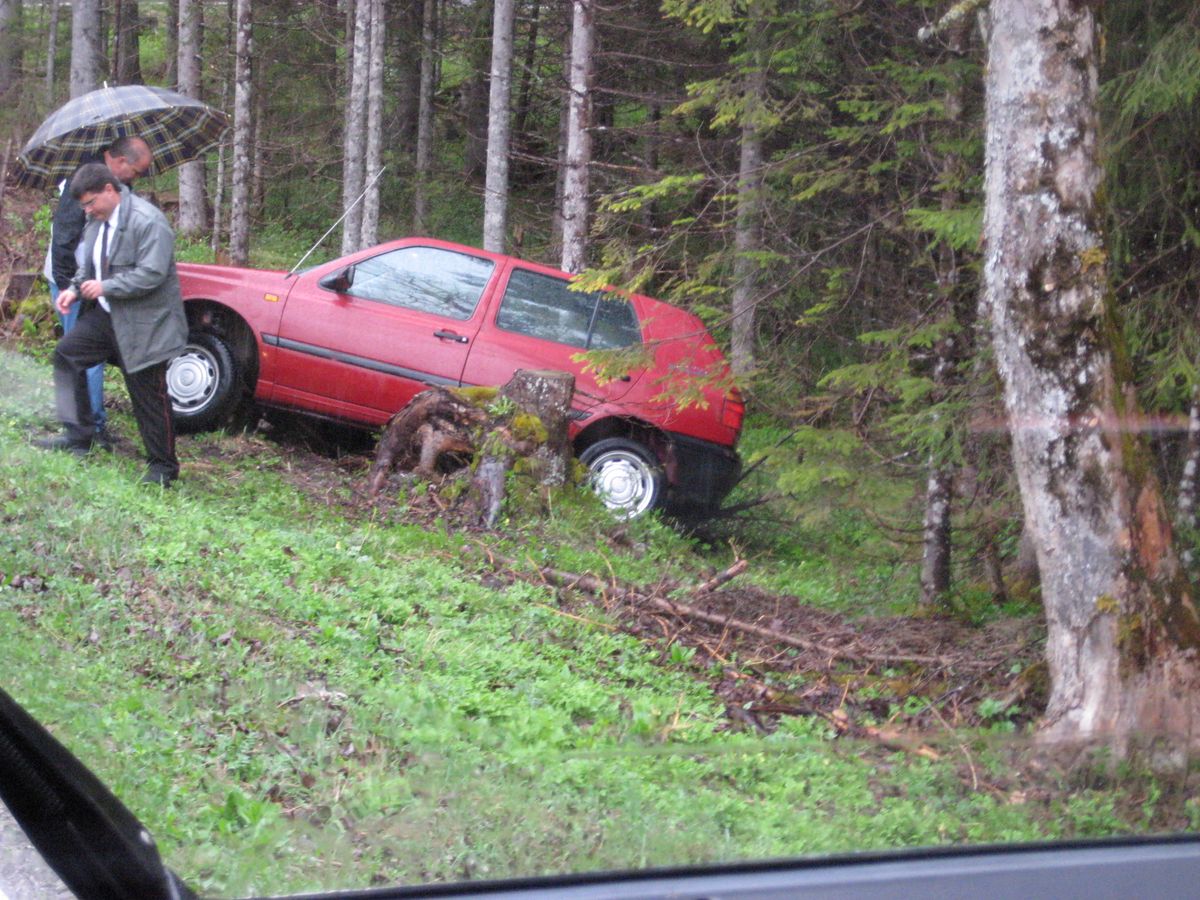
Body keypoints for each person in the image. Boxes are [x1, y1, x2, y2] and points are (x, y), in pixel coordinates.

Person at [35, 163, 188, 487]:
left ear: (109, 189)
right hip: (107, 316)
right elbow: (88, 265)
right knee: (67, 355)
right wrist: (75, 289)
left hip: (147, 322)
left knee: (148, 392)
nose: (88, 210)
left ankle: (163, 467)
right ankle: (79, 437)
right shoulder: (96, 220)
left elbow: (152, 274)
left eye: (91, 202)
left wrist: (106, 287)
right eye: (84, 206)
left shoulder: (149, 222)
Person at [46, 136, 154, 444]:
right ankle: (86, 428)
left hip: (99, 284)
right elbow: (63, 239)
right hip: (73, 280)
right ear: (119, 162)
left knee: (87, 357)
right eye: (137, 171)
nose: (138, 177)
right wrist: (72, 288)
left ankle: (91, 425)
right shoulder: (85, 181)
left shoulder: (116, 186)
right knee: (77, 356)